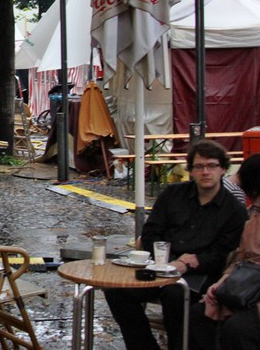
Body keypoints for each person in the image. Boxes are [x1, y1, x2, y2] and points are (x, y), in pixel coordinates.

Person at [104, 139, 247, 350]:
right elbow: (151, 232)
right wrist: (167, 258)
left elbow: (223, 253)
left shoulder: (234, 209)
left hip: (201, 273)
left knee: (175, 295)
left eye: (211, 166)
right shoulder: (173, 194)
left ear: (223, 169)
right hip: (161, 264)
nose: (205, 172)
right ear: (191, 170)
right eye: (199, 167)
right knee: (116, 290)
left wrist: (189, 263)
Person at [189, 154, 260, 350]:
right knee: (198, 313)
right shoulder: (252, 215)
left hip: (253, 293)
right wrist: (221, 283)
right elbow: (240, 257)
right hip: (245, 285)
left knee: (237, 328)